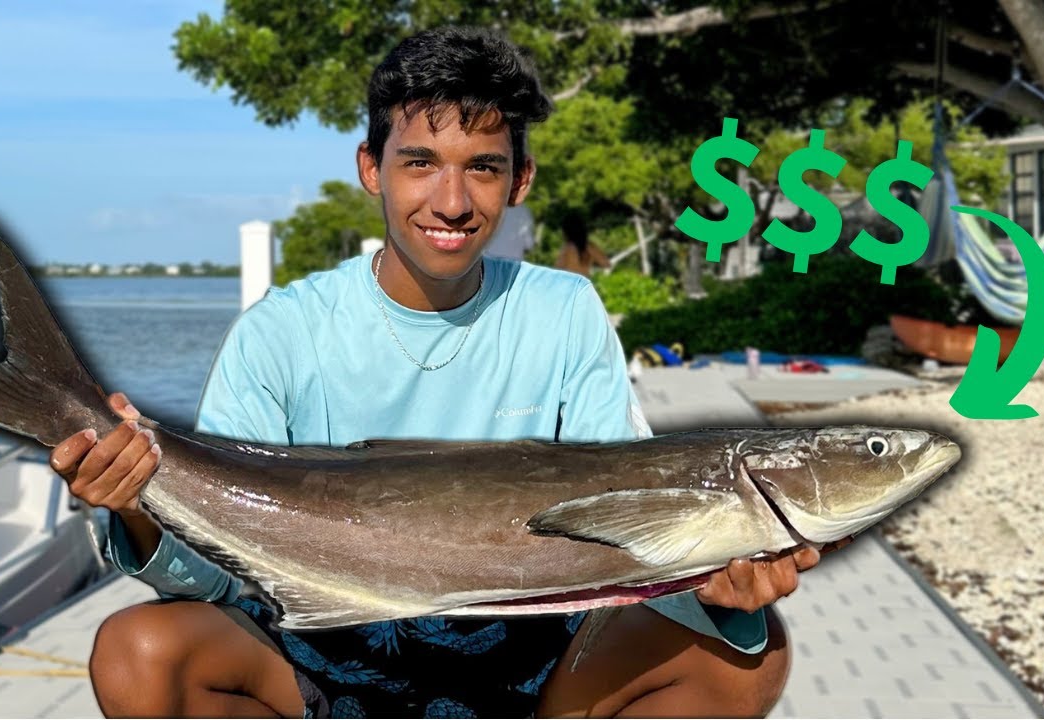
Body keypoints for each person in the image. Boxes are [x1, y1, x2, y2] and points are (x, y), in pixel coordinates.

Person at [50, 26, 818, 718]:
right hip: (325, 655)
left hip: (534, 657)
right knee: (138, 653)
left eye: (482, 168)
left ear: (519, 181)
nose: (451, 201)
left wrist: (717, 588)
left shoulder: (563, 311)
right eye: (420, 163)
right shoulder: (280, 332)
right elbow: (219, 578)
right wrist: (137, 505)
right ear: (372, 169)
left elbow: (629, 539)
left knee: (747, 656)